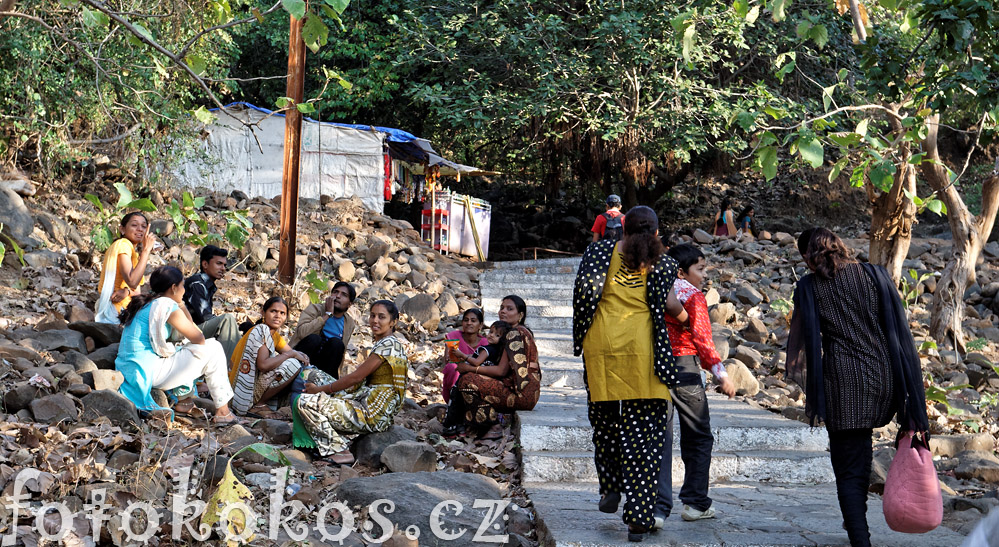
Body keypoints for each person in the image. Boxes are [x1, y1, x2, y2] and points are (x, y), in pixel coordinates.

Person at [786, 227, 929, 547]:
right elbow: (897, 327)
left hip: (844, 382)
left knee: (847, 460)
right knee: (861, 448)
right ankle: (854, 515)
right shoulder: (874, 274)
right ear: (839, 246)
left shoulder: (810, 287)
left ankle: (859, 535)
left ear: (808, 257)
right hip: (883, 378)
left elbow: (804, 342)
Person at [573, 205, 689, 541]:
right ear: (655, 232)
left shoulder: (597, 252)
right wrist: (689, 321)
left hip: (603, 352)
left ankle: (610, 485)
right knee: (645, 440)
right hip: (645, 356)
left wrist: (580, 339)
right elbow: (669, 305)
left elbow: (583, 295)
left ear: (622, 227)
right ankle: (639, 517)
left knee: (606, 425)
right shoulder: (665, 263)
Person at [658, 243, 736, 525]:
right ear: (681, 271)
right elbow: (703, 339)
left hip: (654, 369)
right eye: (700, 269)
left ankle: (656, 507)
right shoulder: (693, 296)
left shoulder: (654, 291)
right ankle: (695, 503)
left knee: (658, 438)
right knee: (699, 436)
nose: (704, 276)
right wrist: (722, 374)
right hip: (685, 368)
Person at [114, 266, 235, 424]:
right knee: (214, 348)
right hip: (146, 372)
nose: (184, 290)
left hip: (131, 369)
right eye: (183, 285)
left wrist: (181, 304)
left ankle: (185, 402)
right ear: (173, 288)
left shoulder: (149, 303)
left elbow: (190, 334)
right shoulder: (166, 306)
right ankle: (223, 412)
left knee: (181, 347)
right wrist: (181, 305)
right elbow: (198, 338)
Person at [293, 300, 409, 465]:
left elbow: (356, 378)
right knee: (312, 373)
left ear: (393, 322)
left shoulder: (389, 345)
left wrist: (320, 390)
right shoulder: (387, 343)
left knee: (305, 402)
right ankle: (315, 432)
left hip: (371, 413)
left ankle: (340, 451)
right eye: (373, 315)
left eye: (381, 317)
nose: (375, 320)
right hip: (365, 399)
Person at [450, 296, 542, 439]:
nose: (503, 312)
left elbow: (501, 371)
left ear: (521, 315)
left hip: (521, 395)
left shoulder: (514, 334)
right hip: (530, 394)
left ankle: (491, 425)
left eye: (509, 309)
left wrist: (469, 368)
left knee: (467, 380)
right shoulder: (524, 331)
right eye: (502, 308)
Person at [228, 297, 309, 416]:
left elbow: (292, 352)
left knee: (295, 361)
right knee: (292, 364)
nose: (278, 316)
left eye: (282, 313)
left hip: (248, 390)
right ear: (263, 312)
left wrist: (301, 355)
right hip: (240, 392)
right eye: (273, 311)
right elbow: (263, 365)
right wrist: (292, 354)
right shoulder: (261, 330)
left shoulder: (274, 336)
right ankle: (259, 405)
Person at [182, 245, 242, 362]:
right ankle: (228, 371)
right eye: (219, 263)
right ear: (205, 264)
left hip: (197, 331)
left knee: (238, 332)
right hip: (186, 332)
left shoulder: (206, 284)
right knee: (227, 320)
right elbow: (206, 318)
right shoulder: (197, 284)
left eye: (224, 265)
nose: (223, 268)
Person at [96, 212, 157, 324]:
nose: (140, 229)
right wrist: (146, 250)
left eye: (144, 226)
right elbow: (133, 282)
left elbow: (136, 289)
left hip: (124, 307)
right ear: (122, 229)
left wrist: (127, 291)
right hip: (117, 310)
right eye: (134, 225)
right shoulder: (123, 244)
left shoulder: (133, 252)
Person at [289, 281, 357, 378]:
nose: (337, 296)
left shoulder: (349, 323)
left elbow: (340, 352)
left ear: (349, 304)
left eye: (344, 295)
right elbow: (302, 333)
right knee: (315, 339)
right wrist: (327, 315)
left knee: (337, 344)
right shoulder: (314, 309)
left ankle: (325, 386)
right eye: (335, 292)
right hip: (303, 357)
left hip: (325, 365)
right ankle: (293, 377)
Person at [441, 309, 488, 404]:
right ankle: (454, 401)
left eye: (473, 321)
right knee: (452, 367)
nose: (469, 323)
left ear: (480, 325)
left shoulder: (485, 344)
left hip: (475, 384)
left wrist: (463, 358)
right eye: (466, 320)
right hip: (454, 383)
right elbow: (448, 359)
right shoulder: (453, 337)